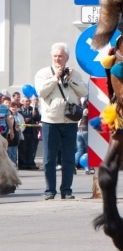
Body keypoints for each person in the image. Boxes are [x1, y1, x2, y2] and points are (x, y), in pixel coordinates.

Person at [34, 43, 88, 200]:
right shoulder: (43, 73)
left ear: (67, 58)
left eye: (60, 56)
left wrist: (70, 80)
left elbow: (84, 91)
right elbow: (41, 92)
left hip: (70, 122)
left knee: (69, 158)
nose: (57, 59)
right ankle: (50, 190)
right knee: (49, 159)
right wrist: (55, 78)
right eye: (55, 56)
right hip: (50, 121)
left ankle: (67, 190)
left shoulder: (74, 74)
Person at [18, 96, 41, 170]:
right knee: (23, 149)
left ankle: (30, 163)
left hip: (32, 132)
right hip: (24, 132)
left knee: (31, 149)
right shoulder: (20, 110)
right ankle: (22, 164)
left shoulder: (33, 109)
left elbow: (38, 118)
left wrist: (35, 115)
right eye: (26, 101)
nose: (28, 103)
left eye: (29, 101)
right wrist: (24, 119)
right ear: (23, 102)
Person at [75, 96, 91, 174]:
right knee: (88, 149)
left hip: (79, 131)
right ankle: (87, 167)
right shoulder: (87, 110)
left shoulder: (79, 109)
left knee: (79, 150)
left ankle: (73, 166)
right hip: (85, 130)